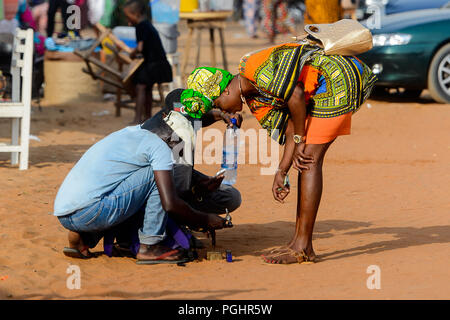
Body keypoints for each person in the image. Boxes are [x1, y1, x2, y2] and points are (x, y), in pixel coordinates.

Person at [180, 43, 377, 264]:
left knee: (309, 160)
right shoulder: (255, 101)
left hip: (338, 78)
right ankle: (298, 243)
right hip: (323, 85)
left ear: (226, 90)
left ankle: (303, 248)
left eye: (219, 105)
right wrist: (281, 171)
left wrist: (301, 141)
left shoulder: (255, 69)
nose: (223, 111)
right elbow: (292, 123)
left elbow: (296, 95)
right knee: (302, 159)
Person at [53, 110, 226, 264]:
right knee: (156, 177)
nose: (178, 153)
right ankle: (149, 246)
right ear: (170, 138)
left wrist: (197, 187)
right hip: (91, 212)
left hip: (66, 213)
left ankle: (83, 237)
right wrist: (205, 220)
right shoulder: (160, 148)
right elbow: (170, 203)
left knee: (125, 183)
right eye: (179, 146)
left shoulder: (129, 133)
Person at [123, 0, 173, 124]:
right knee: (147, 88)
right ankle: (148, 117)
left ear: (135, 14)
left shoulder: (141, 26)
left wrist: (132, 53)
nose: (127, 19)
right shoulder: (147, 24)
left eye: (128, 15)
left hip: (154, 65)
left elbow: (140, 48)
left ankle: (137, 119)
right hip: (159, 64)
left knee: (140, 86)